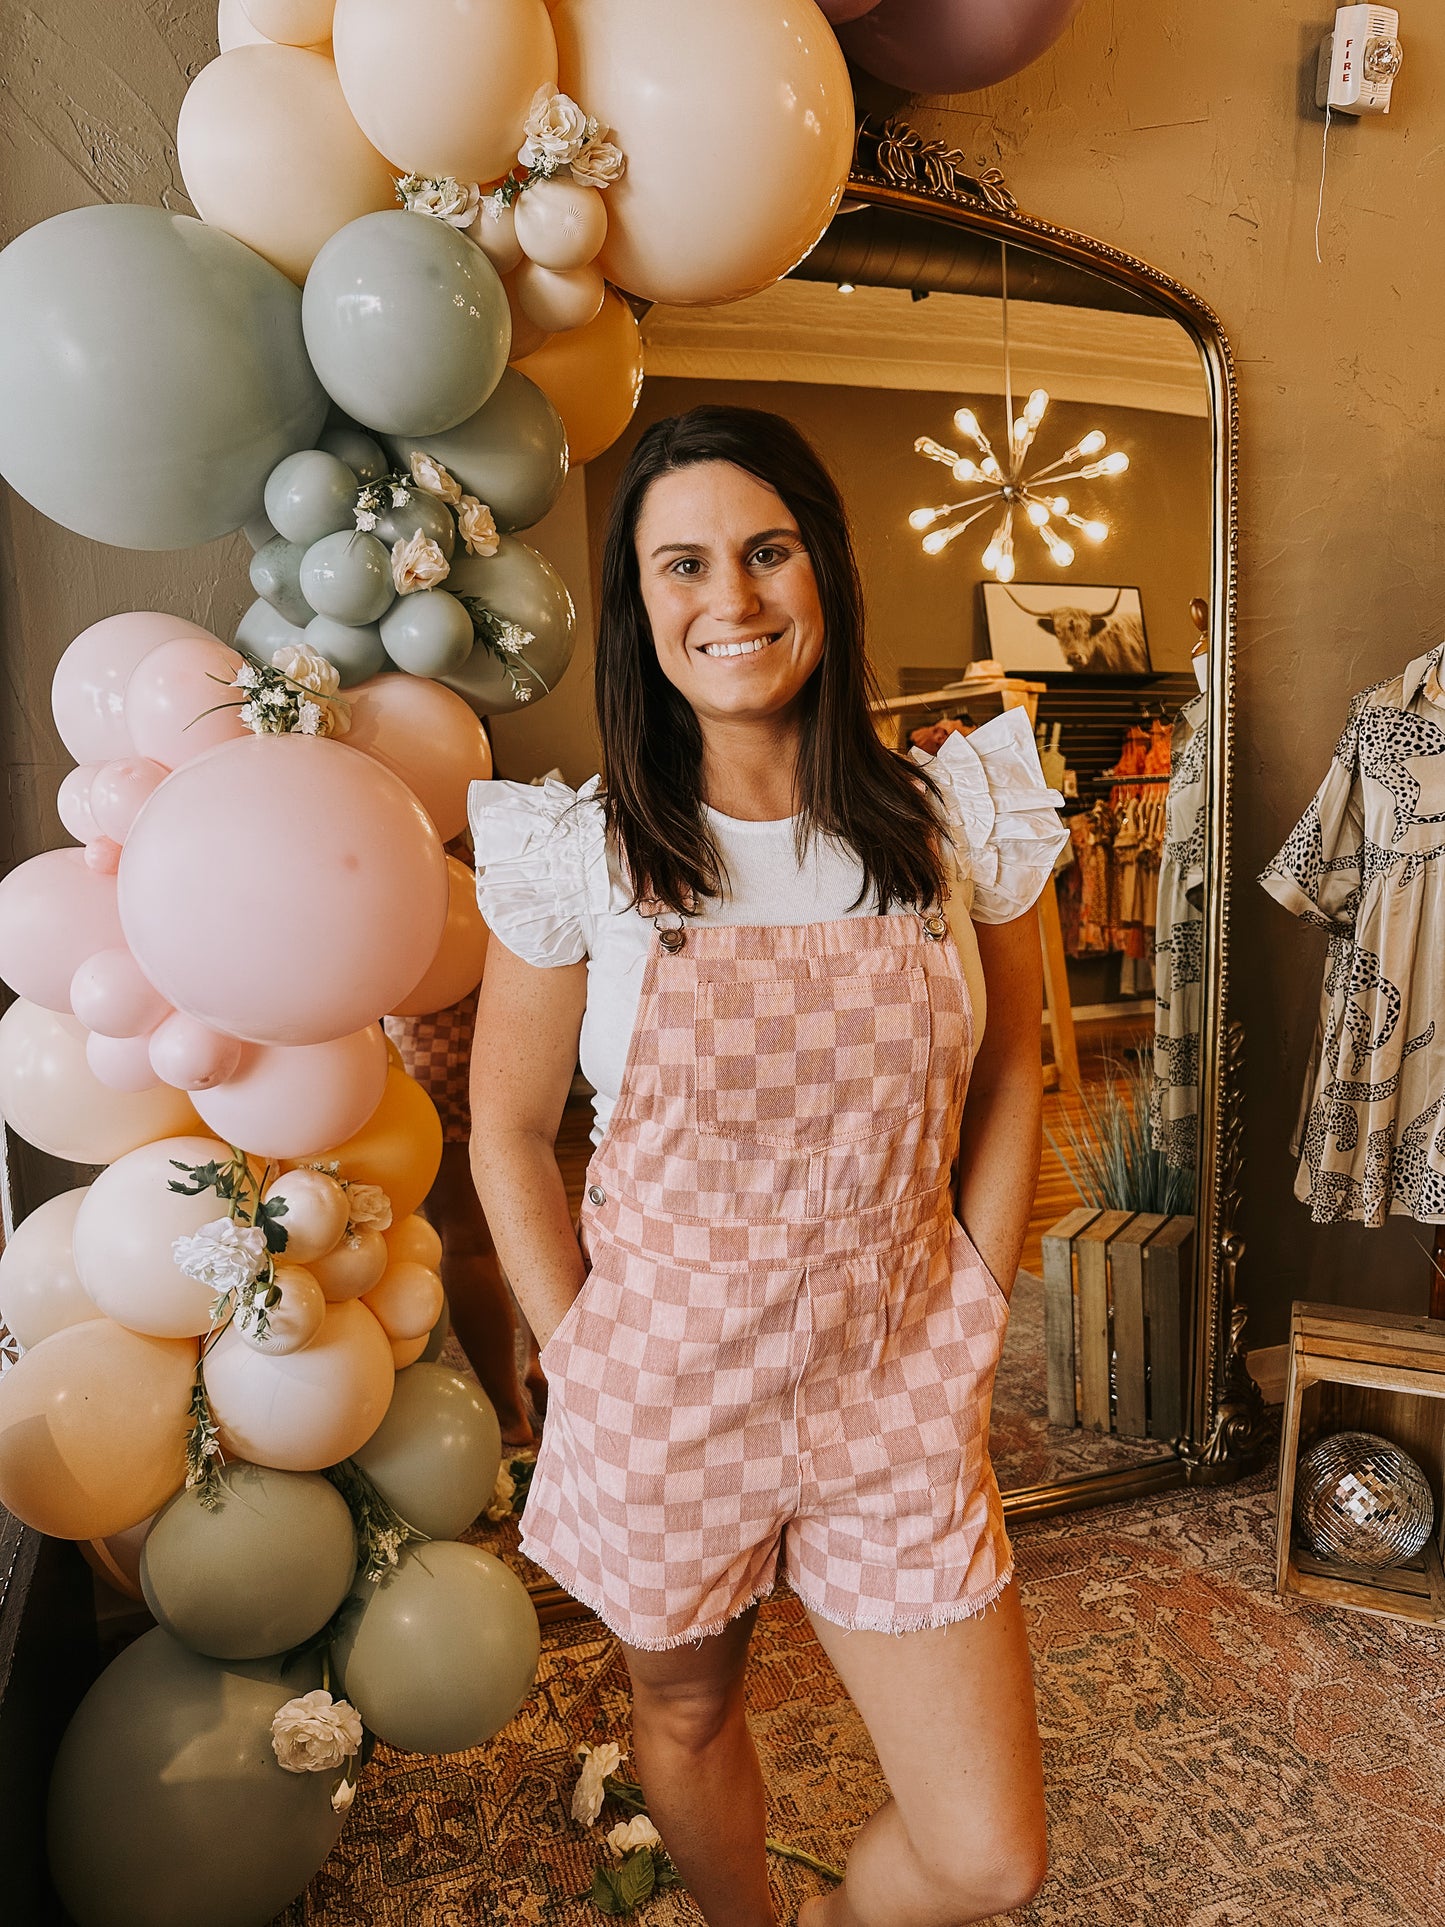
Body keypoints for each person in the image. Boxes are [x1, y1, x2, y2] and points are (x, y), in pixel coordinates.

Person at [469, 406, 1066, 1927]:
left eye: (766, 551)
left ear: (825, 571)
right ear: (639, 604)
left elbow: (1014, 1067)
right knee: (682, 1711)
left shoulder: (955, 821)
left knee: (989, 1856)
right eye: (682, 564)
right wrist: (581, 1348)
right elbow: (507, 1129)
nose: (728, 598)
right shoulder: (580, 853)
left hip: (896, 1366)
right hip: (663, 1381)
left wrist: (980, 1295)